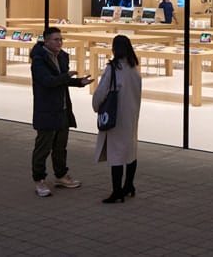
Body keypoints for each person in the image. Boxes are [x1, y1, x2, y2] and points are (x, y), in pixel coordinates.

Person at [31, 27, 94, 197]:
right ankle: (39, 179)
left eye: (61, 39)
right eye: (55, 40)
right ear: (46, 41)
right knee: (43, 147)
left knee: (60, 146)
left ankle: (60, 175)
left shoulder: (62, 57)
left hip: (63, 108)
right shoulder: (38, 59)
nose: (59, 43)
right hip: (47, 109)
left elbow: (61, 82)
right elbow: (48, 81)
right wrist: (66, 77)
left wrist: (78, 82)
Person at [92, 34, 143, 203]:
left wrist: (96, 106)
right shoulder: (134, 67)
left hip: (116, 115)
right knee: (130, 151)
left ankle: (117, 191)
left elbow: (101, 93)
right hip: (132, 114)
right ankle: (129, 185)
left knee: (116, 154)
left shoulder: (113, 69)